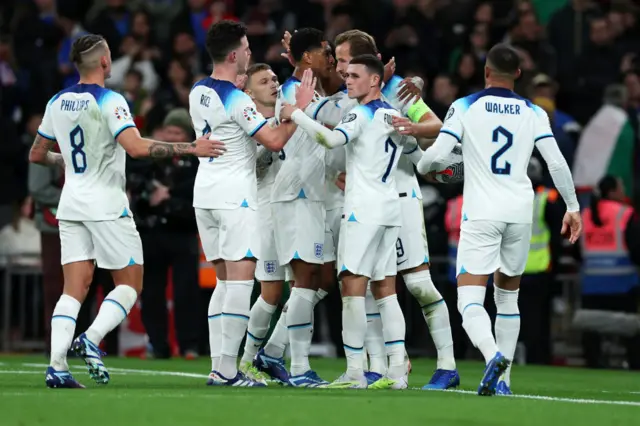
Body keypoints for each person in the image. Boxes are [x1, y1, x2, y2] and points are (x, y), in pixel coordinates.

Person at [29, 33, 224, 389]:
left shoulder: (56, 101)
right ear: (105, 62)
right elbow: (135, 148)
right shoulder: (111, 100)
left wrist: (71, 163)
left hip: (70, 205)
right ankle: (91, 337)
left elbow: (37, 154)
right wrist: (191, 147)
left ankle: (57, 365)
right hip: (105, 205)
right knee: (130, 285)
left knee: (74, 288)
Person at [416, 43, 582, 396]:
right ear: (518, 75)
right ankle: (504, 383)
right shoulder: (534, 112)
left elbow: (440, 155)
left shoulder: (464, 106)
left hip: (482, 213)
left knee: (469, 300)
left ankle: (493, 357)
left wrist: (424, 166)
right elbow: (555, 163)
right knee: (508, 298)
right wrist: (573, 206)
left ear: (486, 72)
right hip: (520, 213)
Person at [306, 29, 459, 389]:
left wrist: (414, 129)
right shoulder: (351, 98)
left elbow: (436, 127)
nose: (339, 67)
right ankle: (384, 365)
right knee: (376, 286)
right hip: (376, 197)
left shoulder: (400, 93)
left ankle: (447, 363)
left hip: (402, 197)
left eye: (344, 60)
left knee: (415, 284)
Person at [282, 54, 420, 390]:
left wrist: (297, 113)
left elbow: (330, 140)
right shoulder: (393, 113)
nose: (348, 80)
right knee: (386, 291)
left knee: (352, 289)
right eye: (348, 75)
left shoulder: (359, 113)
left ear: (375, 81)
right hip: (390, 209)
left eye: (356, 76)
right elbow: (415, 148)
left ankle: (355, 371)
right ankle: (397, 372)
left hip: (362, 210)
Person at [188, 20, 313, 387]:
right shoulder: (238, 100)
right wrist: (299, 111)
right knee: (241, 286)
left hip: (205, 196)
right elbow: (274, 141)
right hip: (235, 198)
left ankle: (218, 364)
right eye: (245, 48)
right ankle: (228, 369)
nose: (249, 53)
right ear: (232, 55)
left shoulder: (198, 91)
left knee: (223, 286)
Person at [253, 28, 334, 388]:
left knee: (322, 279)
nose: (330, 57)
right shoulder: (289, 94)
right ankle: (299, 367)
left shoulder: (313, 91)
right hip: (294, 193)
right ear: (307, 58)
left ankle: (271, 351)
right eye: (324, 52)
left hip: (313, 195)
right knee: (303, 281)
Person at [128, 108, 202, 360]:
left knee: (186, 293)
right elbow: (135, 193)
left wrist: (167, 200)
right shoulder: (150, 158)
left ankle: (189, 345)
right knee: (151, 294)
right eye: (169, 131)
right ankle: (157, 345)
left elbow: (196, 201)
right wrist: (150, 195)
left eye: (177, 132)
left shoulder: (197, 163)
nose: (171, 136)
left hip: (183, 234)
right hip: (152, 233)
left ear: (188, 135)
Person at [236, 63, 291, 384]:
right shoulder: (247, 125)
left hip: (298, 210)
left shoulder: (289, 116)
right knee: (272, 291)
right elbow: (252, 166)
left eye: (274, 79)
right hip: (266, 211)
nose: (273, 84)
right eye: (264, 81)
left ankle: (273, 353)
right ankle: (247, 361)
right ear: (248, 92)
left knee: (309, 284)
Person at [580, 175, 640, 370]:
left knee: (592, 337)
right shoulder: (625, 213)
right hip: (622, 285)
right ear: (613, 191)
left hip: (592, 286)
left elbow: (576, 249)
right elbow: (636, 248)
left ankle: (592, 369)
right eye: (621, 188)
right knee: (631, 334)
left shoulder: (585, 214)